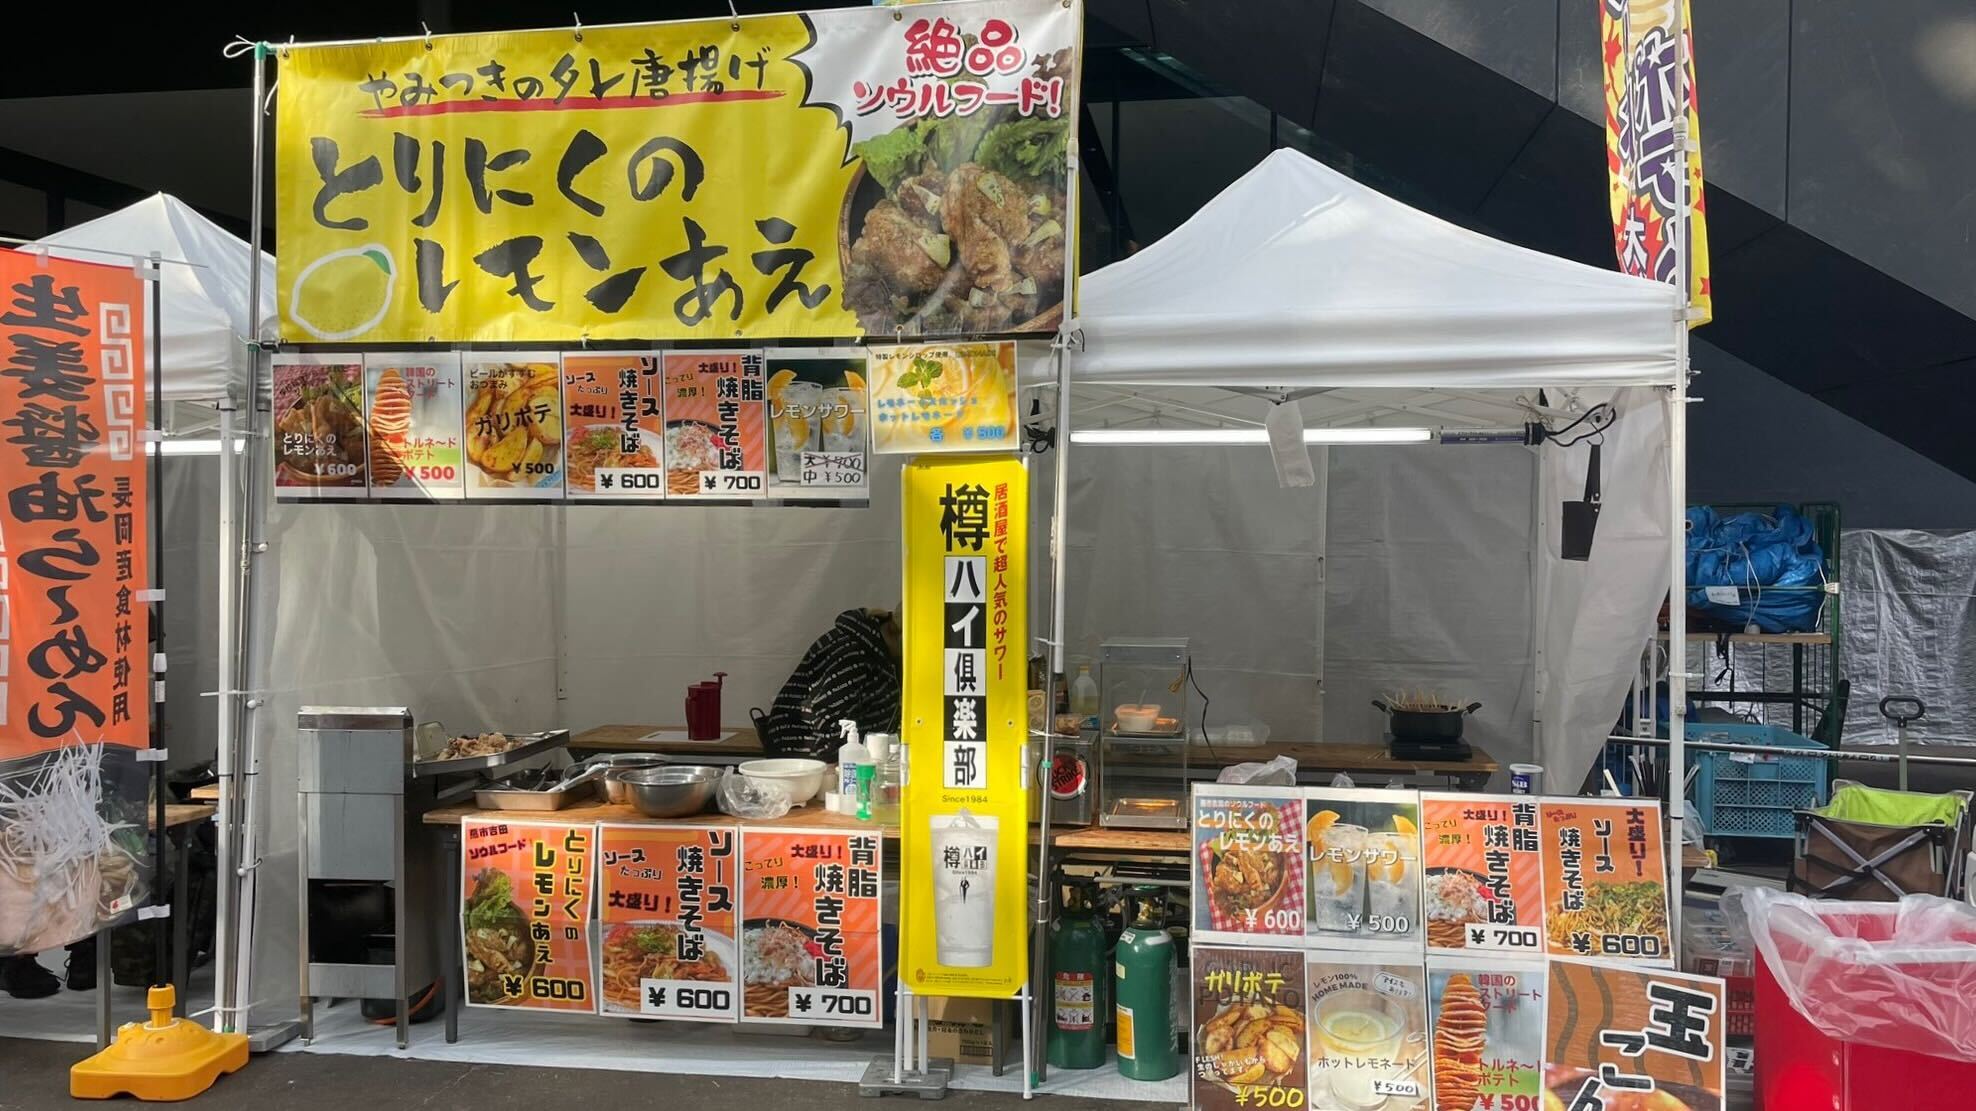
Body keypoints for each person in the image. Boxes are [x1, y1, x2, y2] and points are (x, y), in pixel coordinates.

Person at [755, 607, 901, 760]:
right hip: (806, 756)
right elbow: (832, 720)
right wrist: (844, 764)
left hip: (830, 753)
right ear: (899, 635)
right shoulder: (852, 654)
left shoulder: (878, 649)